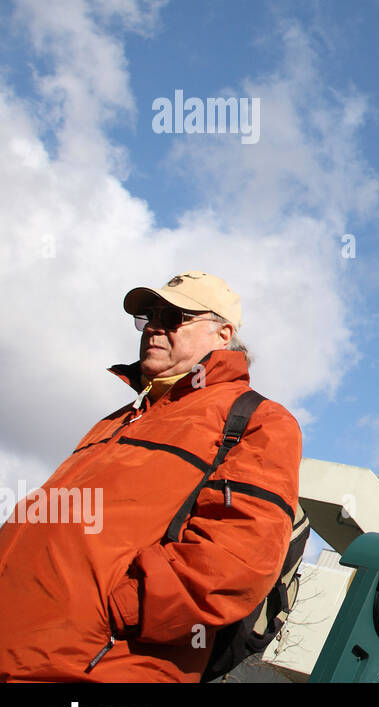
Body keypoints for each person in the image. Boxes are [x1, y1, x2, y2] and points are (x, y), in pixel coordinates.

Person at [0, 271, 302, 682]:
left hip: (93, 671)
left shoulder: (258, 419)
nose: (155, 326)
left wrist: (113, 611)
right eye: (149, 316)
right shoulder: (118, 419)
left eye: (175, 316)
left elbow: (234, 562)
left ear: (223, 333)